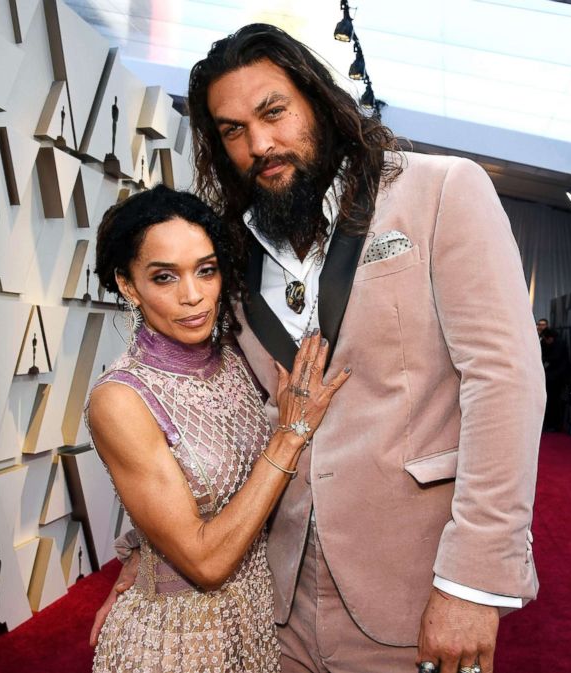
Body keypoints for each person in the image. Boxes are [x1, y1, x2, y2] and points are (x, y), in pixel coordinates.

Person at [186, 23, 544, 673]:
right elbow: (234, 419)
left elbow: (504, 380)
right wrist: (144, 551)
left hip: (416, 587)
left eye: (273, 111)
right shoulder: (235, 257)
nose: (259, 143)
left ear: (320, 101)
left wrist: (471, 584)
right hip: (279, 598)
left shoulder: (441, 191)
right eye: (232, 130)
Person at [85, 185, 350, 672]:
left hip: (254, 625)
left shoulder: (234, 355)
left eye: (205, 270)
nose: (193, 296)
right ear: (128, 284)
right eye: (164, 277)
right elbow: (206, 564)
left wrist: (138, 550)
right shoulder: (120, 400)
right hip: (175, 643)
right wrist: (288, 438)